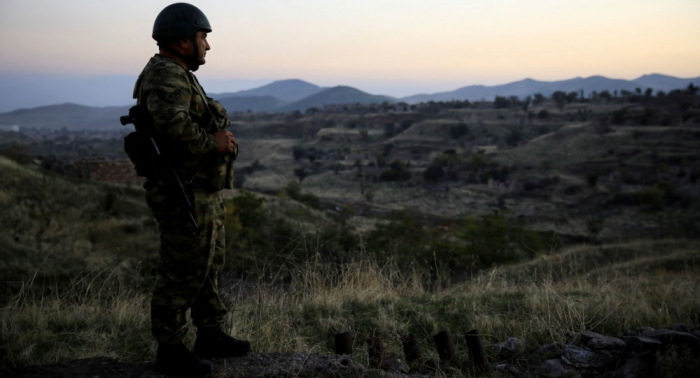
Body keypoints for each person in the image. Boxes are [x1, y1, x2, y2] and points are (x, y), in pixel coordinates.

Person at [132, 3, 249, 376]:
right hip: (183, 191)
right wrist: (213, 143)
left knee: (207, 266)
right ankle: (170, 348)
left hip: (201, 191)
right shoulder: (166, 75)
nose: (207, 46)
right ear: (183, 40)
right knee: (181, 271)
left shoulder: (179, 73)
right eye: (203, 38)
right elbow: (175, 129)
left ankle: (210, 334)